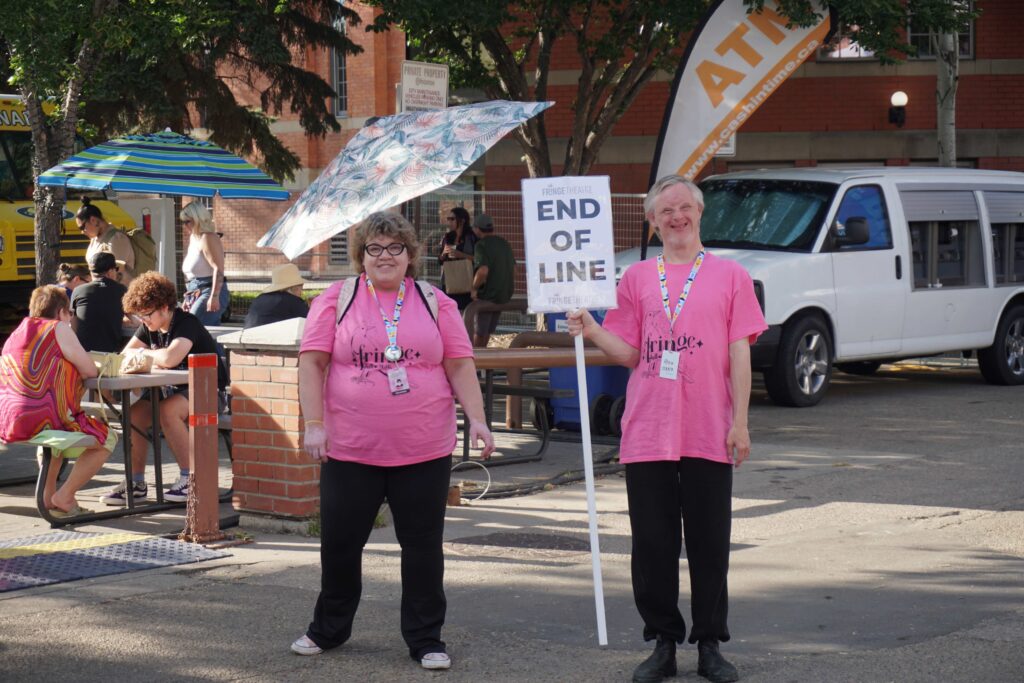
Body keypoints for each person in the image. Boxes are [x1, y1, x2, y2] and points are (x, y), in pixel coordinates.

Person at [567, 176, 767, 683]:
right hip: (649, 429)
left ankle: (709, 644)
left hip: (708, 427)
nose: (676, 217)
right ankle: (662, 641)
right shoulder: (636, 277)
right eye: (665, 211)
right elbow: (630, 353)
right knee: (652, 545)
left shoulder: (730, 276)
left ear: (699, 214)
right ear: (653, 222)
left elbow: (740, 350)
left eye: (684, 208)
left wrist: (740, 422)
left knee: (708, 542)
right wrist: (591, 329)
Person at [292, 211, 495, 670]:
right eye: (375, 249)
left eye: (395, 248)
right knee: (341, 545)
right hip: (350, 449)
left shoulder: (435, 301)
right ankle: (329, 629)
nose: (385, 256)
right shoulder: (335, 299)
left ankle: (426, 639)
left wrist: (478, 420)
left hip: (424, 448)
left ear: (410, 255)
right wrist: (314, 423)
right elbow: (312, 364)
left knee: (423, 547)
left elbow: (460, 365)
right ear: (362, 256)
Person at [100, 272, 228, 506]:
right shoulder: (149, 327)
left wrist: (145, 354)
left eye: (147, 314)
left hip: (209, 392)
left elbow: (170, 358)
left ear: (165, 307)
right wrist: (147, 354)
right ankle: (136, 482)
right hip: (172, 391)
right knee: (135, 415)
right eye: (140, 315)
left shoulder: (186, 323)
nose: (143, 320)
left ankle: (191, 478)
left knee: (167, 411)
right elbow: (125, 354)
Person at [0, 286, 115, 516]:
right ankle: (65, 496)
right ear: (61, 312)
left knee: (56, 440)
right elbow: (90, 370)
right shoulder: (58, 328)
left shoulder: (17, 331)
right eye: (70, 313)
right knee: (107, 438)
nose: (71, 318)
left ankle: (48, 495)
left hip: (9, 421)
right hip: (43, 419)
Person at [463, 213, 515, 347]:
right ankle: (485, 363)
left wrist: (474, 288)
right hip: (504, 294)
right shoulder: (504, 243)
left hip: (487, 295)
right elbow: (514, 269)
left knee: (479, 331)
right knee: (488, 331)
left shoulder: (481, 245)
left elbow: (483, 270)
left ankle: (478, 362)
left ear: (477, 229)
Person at [180, 202, 230, 326]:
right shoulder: (194, 238)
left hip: (209, 290)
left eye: (187, 221)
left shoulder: (208, 237)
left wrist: (214, 296)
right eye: (183, 222)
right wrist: (188, 297)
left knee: (194, 328)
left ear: (198, 219)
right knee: (200, 333)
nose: (185, 225)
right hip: (194, 290)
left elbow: (218, 269)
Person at [71, 251, 128, 352]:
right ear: (110, 272)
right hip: (110, 353)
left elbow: (74, 324)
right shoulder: (121, 290)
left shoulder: (78, 290)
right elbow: (134, 319)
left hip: (84, 352)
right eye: (116, 269)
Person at [77, 197, 136, 286]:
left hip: (118, 293)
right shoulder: (95, 240)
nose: (82, 232)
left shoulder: (117, 239)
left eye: (82, 227)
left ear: (93, 220)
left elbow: (116, 274)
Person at [243, 263, 310, 329]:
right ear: (295, 287)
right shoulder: (293, 301)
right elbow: (311, 321)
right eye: (301, 286)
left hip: (247, 336)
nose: (302, 291)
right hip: (274, 338)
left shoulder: (260, 298)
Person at [437, 206, 477, 311]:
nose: (449, 222)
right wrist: (443, 254)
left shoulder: (472, 237)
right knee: (449, 311)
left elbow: (478, 259)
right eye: (448, 219)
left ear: (462, 220)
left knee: (465, 313)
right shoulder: (447, 237)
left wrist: (461, 255)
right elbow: (440, 261)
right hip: (449, 281)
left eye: (452, 219)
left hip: (466, 281)